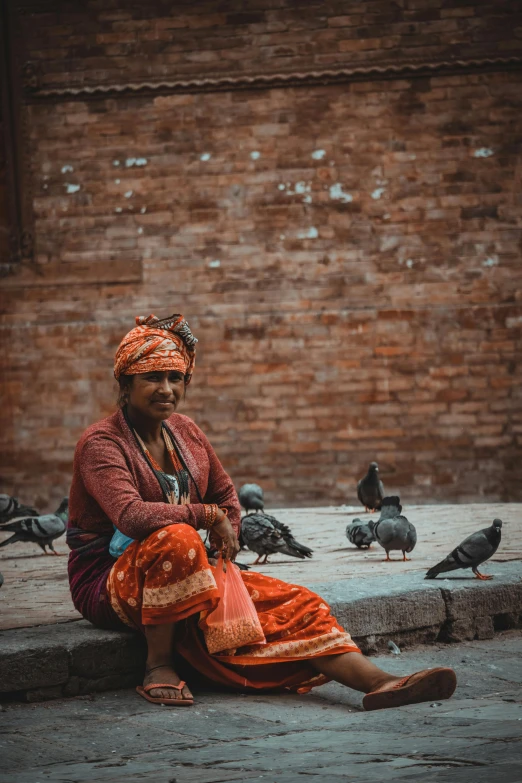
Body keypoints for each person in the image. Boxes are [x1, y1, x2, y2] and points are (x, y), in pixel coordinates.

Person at [67, 313, 457, 710]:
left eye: (176, 378)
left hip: (189, 568)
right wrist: (208, 518)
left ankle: (380, 682)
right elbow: (131, 515)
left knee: (295, 603)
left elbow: (226, 495)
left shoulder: (184, 431)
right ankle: (158, 666)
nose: (166, 389)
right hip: (106, 581)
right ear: (126, 384)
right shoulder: (102, 443)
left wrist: (225, 537)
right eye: (152, 378)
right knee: (179, 538)